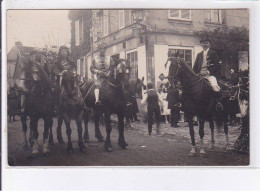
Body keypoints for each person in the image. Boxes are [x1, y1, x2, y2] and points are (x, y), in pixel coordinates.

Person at [193, 38, 222, 112]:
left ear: (209, 44)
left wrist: (208, 72)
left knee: (215, 86)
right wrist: (194, 74)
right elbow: (195, 67)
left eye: (206, 43)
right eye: (203, 43)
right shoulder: (199, 54)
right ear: (201, 44)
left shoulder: (213, 53)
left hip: (210, 75)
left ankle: (218, 103)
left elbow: (217, 66)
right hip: (199, 75)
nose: (204, 44)